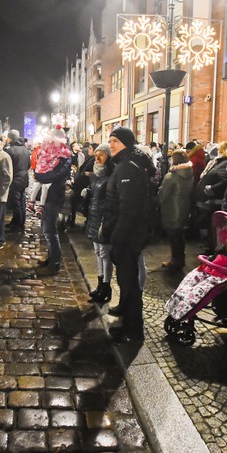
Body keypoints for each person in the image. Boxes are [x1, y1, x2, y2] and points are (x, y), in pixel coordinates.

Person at [102, 127, 149, 344]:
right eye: (110, 140)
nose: (111, 145)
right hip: (127, 234)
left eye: (116, 141)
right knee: (125, 280)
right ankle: (127, 318)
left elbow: (128, 208)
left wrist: (118, 238)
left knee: (129, 282)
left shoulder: (127, 168)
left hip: (128, 236)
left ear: (127, 144)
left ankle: (133, 331)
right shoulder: (123, 164)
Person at [164, 228, 227, 324]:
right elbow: (216, 256)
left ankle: (183, 310)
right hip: (209, 271)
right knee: (190, 280)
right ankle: (175, 304)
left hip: (219, 277)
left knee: (199, 291)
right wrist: (211, 258)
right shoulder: (223, 251)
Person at [34, 128, 72, 276]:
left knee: (50, 231)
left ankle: (55, 262)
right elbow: (39, 171)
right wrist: (39, 175)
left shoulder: (65, 157)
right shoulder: (48, 154)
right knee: (45, 228)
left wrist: (40, 177)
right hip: (46, 197)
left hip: (54, 197)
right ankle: (50, 257)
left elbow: (55, 176)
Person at [84, 144, 113, 304]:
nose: (97, 158)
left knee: (104, 253)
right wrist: (89, 190)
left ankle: (106, 287)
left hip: (103, 217)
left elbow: (110, 200)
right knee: (97, 252)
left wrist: (105, 221)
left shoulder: (111, 174)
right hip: (94, 215)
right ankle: (100, 283)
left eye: (101, 155)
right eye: (96, 155)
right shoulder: (97, 172)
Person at [158, 149, 194, 273]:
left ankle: (175, 261)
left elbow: (163, 193)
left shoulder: (171, 175)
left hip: (172, 208)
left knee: (174, 236)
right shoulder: (189, 173)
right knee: (179, 235)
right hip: (184, 206)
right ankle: (180, 259)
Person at [4, 129, 30, 232]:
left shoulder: (10, 150)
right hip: (23, 179)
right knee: (22, 202)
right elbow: (28, 165)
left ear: (11, 138)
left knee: (16, 203)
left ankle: (17, 225)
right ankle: (19, 222)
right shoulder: (25, 149)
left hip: (15, 180)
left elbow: (7, 167)